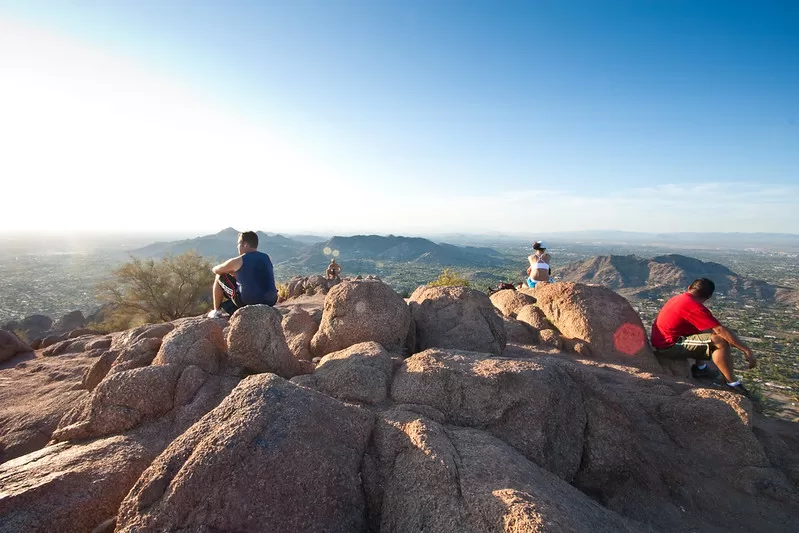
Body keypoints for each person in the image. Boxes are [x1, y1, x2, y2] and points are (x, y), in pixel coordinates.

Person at [650, 278, 756, 396]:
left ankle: (700, 369)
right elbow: (720, 330)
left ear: (690, 287)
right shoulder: (694, 306)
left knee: (705, 329)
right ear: (708, 296)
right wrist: (746, 350)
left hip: (661, 341)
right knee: (719, 341)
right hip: (668, 346)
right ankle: (732, 383)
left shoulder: (679, 298)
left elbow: (709, 327)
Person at [207, 231, 278, 318]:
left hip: (247, 302)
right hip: (271, 301)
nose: (237, 247)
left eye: (238, 244)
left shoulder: (238, 260)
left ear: (245, 245)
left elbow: (216, 270)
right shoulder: (267, 257)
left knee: (219, 276)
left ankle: (216, 311)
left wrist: (230, 270)